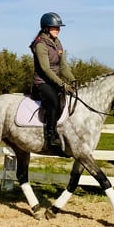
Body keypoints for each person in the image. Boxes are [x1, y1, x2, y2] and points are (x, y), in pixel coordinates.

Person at [30, 12, 76, 149]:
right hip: (42, 83)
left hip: (54, 82)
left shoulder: (57, 43)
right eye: (54, 27)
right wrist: (62, 84)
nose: (58, 30)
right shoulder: (40, 45)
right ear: (46, 28)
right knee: (54, 103)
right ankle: (50, 137)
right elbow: (46, 70)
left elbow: (63, 66)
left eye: (58, 28)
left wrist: (73, 80)